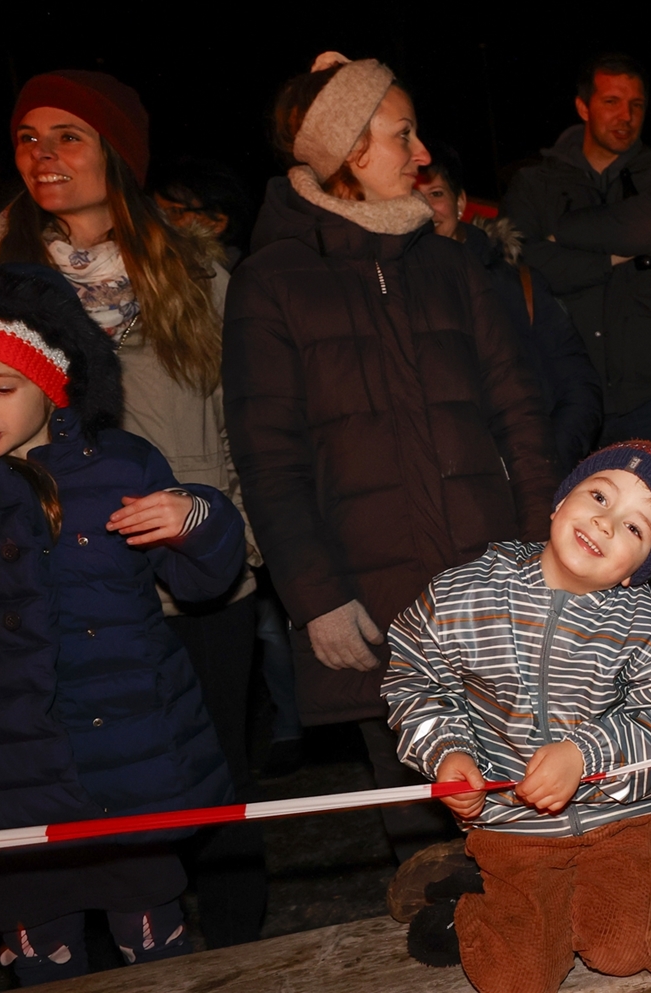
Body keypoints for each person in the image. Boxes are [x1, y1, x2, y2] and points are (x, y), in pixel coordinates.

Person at [224, 51, 560, 863]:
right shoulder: (271, 282)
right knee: (429, 839)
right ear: (349, 149)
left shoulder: (451, 265)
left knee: (535, 811)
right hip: (375, 607)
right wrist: (316, 596)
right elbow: (268, 457)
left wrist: (541, 557)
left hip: (492, 591)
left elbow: (521, 418)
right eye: (402, 134)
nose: (421, 153)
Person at [0, 69, 267, 946]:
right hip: (52, 581)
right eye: (27, 137)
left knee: (209, 781)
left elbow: (245, 422)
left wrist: (236, 542)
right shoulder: (2, 276)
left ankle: (234, 957)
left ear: (115, 151)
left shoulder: (196, 272)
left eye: (67, 135)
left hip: (193, 568)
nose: (43, 155)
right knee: (68, 790)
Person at [0, 263, 244, 984]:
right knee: (39, 947)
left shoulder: (120, 466)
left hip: (125, 756)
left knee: (151, 941)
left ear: (54, 384)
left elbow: (202, 581)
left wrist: (196, 521)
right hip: (11, 772)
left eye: (1, 388)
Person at [384, 440, 651, 991]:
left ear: (640, 570)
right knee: (516, 977)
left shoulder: (648, 626)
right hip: (512, 820)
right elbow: (415, 680)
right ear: (561, 501)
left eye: (635, 528)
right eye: (600, 496)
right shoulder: (464, 594)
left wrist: (586, 754)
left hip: (627, 817)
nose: (606, 523)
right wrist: (447, 753)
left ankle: (576, 889)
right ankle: (467, 895)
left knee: (629, 951)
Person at [502, 54, 651, 463]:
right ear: (583, 107)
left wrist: (563, 233)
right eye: (612, 102)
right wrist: (610, 257)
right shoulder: (535, 184)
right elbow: (522, 261)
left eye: (636, 105)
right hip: (569, 398)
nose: (626, 116)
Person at [417, 144, 603, 473]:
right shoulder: (393, 292)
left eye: (436, 194)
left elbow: (578, 386)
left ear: (460, 202)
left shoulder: (517, 284)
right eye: (414, 197)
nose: (426, 210)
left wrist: (546, 462)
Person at [150, 156, 256, 268]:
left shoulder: (224, 274)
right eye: (155, 210)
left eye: (174, 211)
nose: (159, 221)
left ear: (217, 223)